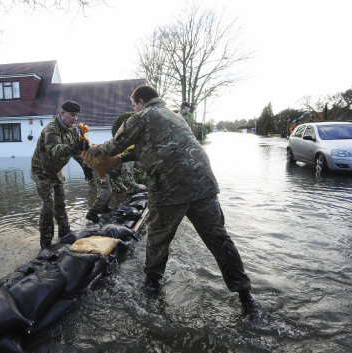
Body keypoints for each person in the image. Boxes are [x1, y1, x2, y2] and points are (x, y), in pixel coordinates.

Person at [88, 85, 261, 320]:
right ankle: (247, 299)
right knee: (219, 240)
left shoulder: (140, 116)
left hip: (168, 186)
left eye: (133, 105)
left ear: (140, 101)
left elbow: (114, 145)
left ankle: (151, 290)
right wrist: (124, 158)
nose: (133, 109)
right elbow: (158, 147)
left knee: (158, 240)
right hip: (203, 183)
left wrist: (98, 150)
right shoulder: (176, 117)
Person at [31, 100, 94, 249]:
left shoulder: (74, 130)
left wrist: (86, 167)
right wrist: (74, 146)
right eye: (72, 115)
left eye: (77, 115)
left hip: (57, 171)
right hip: (42, 172)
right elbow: (55, 150)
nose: (75, 119)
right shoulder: (51, 129)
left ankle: (65, 234)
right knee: (48, 206)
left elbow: (77, 152)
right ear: (62, 113)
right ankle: (46, 243)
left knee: (61, 203)